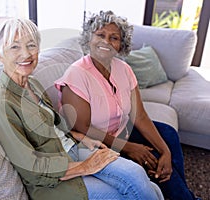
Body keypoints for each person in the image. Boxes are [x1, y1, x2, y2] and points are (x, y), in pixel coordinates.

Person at [0, 18, 164, 200]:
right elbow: (32, 169)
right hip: (53, 180)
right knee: (131, 191)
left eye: (31, 45)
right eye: (15, 47)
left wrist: (79, 137)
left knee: (144, 181)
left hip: (72, 149)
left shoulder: (32, 83)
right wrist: (85, 166)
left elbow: (52, 125)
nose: (26, 54)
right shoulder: (1, 104)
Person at [55, 10, 200, 200]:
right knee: (147, 161)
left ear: (120, 45)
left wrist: (166, 151)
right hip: (92, 144)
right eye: (100, 35)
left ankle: (181, 193)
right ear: (89, 38)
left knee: (167, 135)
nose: (106, 41)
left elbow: (139, 115)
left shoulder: (123, 69)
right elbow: (81, 126)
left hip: (121, 130)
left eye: (114, 38)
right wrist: (128, 147)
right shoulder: (76, 74)